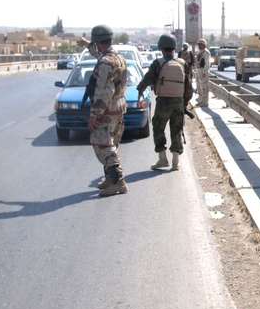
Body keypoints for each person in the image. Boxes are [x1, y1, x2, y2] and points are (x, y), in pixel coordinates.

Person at [78, 25, 128, 197]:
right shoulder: (118, 57)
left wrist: (94, 115)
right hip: (118, 107)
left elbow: (103, 92)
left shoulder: (106, 62)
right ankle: (109, 178)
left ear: (98, 42)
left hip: (106, 110)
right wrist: (87, 44)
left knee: (103, 144)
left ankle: (118, 181)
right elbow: (99, 54)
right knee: (111, 142)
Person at [137, 33, 193, 171]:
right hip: (178, 102)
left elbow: (147, 80)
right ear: (174, 48)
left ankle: (162, 159)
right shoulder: (183, 64)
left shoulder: (157, 63)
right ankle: (175, 162)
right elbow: (189, 87)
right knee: (176, 130)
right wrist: (184, 102)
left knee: (158, 128)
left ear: (161, 48)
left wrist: (139, 90)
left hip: (163, 102)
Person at [194, 38, 211, 108]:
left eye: (201, 45)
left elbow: (207, 63)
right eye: (199, 45)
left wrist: (204, 71)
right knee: (199, 86)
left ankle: (205, 102)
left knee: (204, 86)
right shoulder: (199, 52)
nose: (199, 46)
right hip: (198, 70)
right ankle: (201, 100)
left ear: (204, 45)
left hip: (203, 70)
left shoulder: (206, 53)